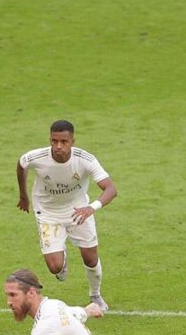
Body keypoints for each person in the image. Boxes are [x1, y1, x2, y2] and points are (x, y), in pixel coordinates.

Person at [17, 120, 117, 310]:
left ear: (72, 141)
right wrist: (23, 195)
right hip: (48, 214)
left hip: (79, 213)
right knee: (55, 268)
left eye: (63, 141)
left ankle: (95, 295)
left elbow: (111, 188)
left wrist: (91, 208)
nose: (58, 146)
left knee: (90, 258)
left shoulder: (85, 160)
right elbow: (21, 165)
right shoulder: (36, 157)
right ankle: (61, 259)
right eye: (54, 141)